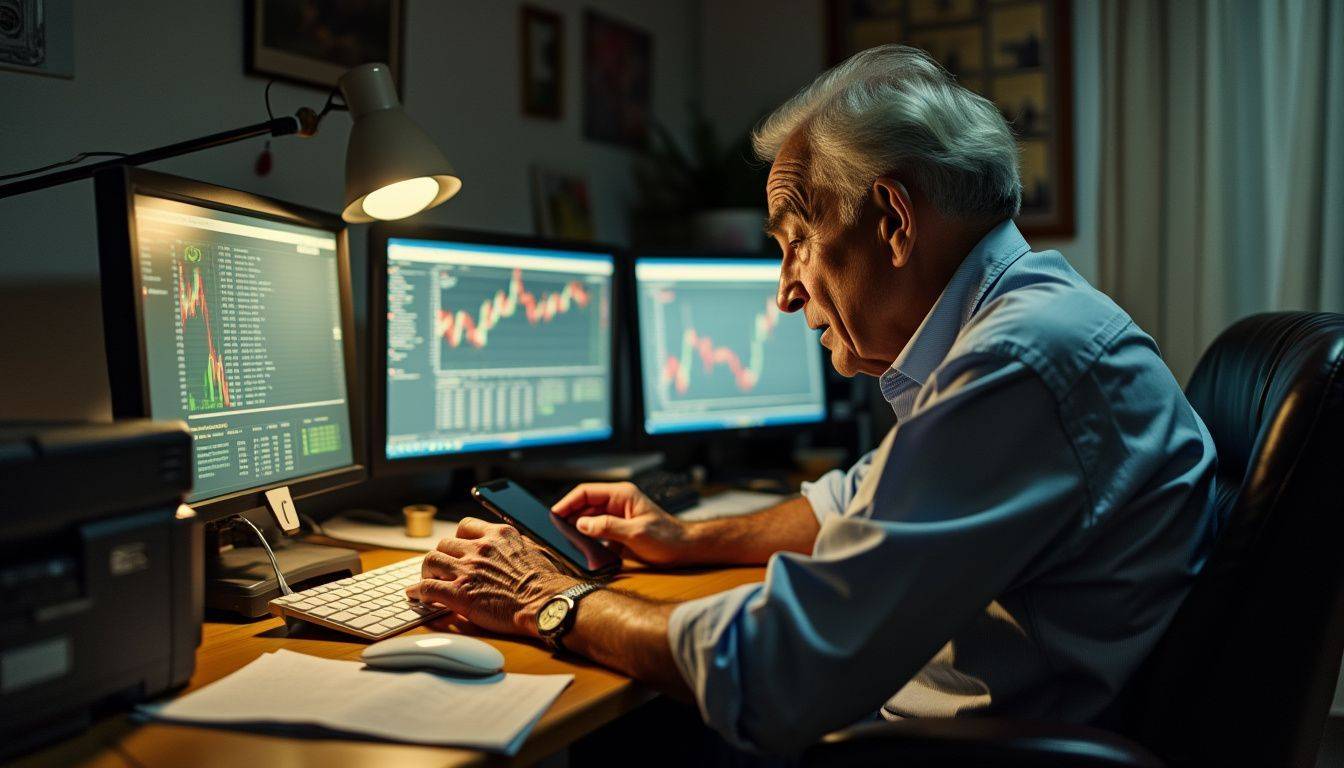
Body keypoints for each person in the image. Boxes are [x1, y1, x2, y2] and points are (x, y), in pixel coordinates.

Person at [407, 44, 1219, 755]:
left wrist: (550, 601)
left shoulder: (1020, 364)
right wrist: (685, 539)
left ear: (894, 219)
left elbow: (778, 669)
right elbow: (856, 500)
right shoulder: (1030, 321)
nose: (786, 294)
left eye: (795, 242)